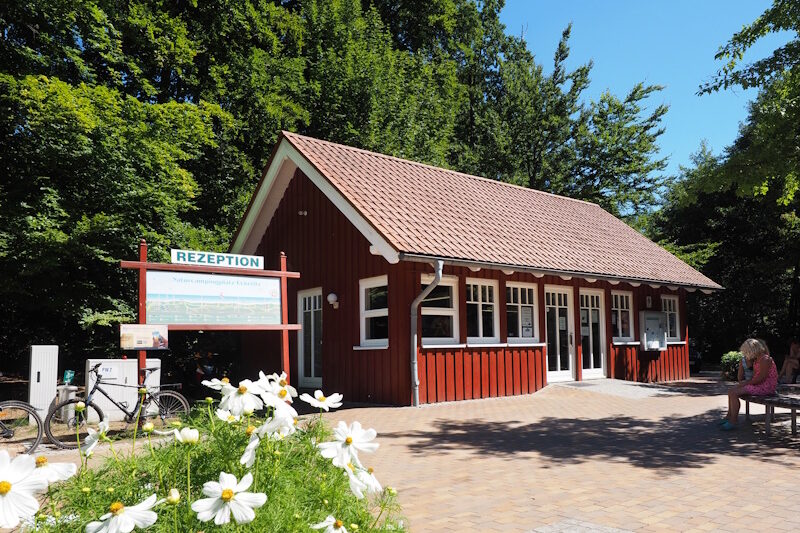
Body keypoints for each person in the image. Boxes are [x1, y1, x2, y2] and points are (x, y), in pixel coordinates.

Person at [721, 338, 778, 431]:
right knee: (731, 391)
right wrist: (744, 383)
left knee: (734, 393)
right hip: (759, 385)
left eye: (746, 352)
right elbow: (755, 377)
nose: (745, 354)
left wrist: (745, 383)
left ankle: (733, 421)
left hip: (766, 387)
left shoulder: (765, 359)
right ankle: (729, 416)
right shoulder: (756, 360)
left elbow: (761, 378)